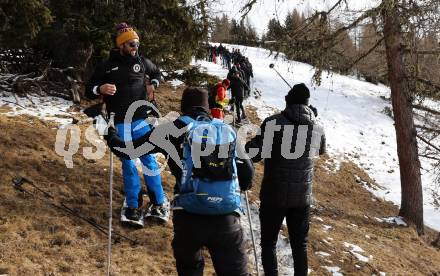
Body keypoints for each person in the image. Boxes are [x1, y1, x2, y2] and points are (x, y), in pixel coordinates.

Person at [105, 87, 254, 276]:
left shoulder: (171, 129)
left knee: (189, 270)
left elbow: (128, 151)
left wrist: (109, 134)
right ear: (207, 107)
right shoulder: (225, 130)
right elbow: (248, 174)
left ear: (183, 107)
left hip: (189, 216)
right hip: (226, 217)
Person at [85, 22, 168, 226]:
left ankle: (158, 202)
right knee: (129, 162)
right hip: (120, 121)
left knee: (148, 159)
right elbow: (89, 89)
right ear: (121, 45)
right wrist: (100, 89)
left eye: (137, 44)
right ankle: (132, 206)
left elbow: (157, 73)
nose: (135, 48)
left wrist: (153, 84)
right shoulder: (107, 65)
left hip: (140, 118)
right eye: (131, 44)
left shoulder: (141, 61)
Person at [245, 83, 326, 276]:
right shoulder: (317, 127)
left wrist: (249, 142)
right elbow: (319, 150)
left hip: (275, 195)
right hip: (302, 198)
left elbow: (254, 154)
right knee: (300, 245)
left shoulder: (274, 122)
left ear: (288, 101)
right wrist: (312, 119)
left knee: (269, 243)